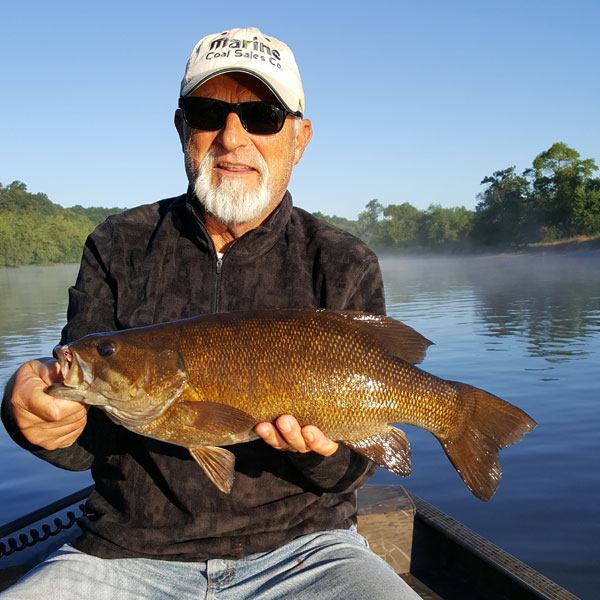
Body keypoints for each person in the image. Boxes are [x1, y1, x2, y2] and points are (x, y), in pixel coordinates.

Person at [1, 27, 420, 600]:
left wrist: (323, 455)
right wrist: (41, 424)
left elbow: (351, 473)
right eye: (207, 112)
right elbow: (86, 438)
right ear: (182, 130)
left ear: (300, 138)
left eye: (263, 116)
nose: (232, 137)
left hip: (308, 550)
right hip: (125, 551)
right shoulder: (116, 244)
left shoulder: (342, 261)